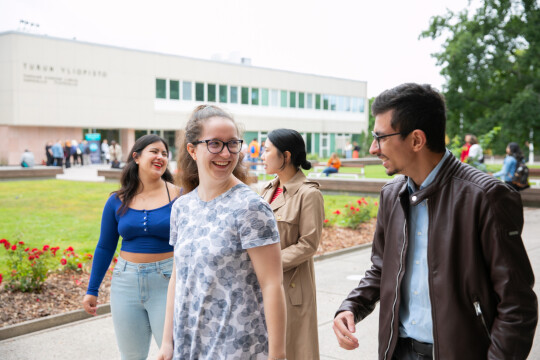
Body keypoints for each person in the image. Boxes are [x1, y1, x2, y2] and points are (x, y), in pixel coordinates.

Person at [332, 83, 537, 359]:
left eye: (380, 137)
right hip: (397, 351)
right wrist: (351, 306)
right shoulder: (391, 195)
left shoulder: (486, 197)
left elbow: (517, 305)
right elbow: (382, 267)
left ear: (417, 140)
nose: (373, 148)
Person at [158, 105, 286, 360]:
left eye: (232, 144)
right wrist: (166, 342)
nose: (226, 153)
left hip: (237, 346)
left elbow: (272, 284)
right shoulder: (182, 207)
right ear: (192, 150)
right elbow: (177, 278)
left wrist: (278, 355)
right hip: (190, 344)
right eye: (215, 144)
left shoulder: (251, 207)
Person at [82, 134, 181, 360]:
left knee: (174, 353)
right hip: (125, 283)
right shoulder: (117, 200)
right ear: (136, 157)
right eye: (154, 151)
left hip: (167, 281)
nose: (160, 157)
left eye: (165, 154)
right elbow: (105, 247)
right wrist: (92, 290)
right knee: (131, 356)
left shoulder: (179, 197)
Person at [261, 128, 324, 360]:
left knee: (294, 351)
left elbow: (308, 244)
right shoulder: (267, 189)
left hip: (291, 288)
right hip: (264, 286)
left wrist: (267, 265)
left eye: (267, 150)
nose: (262, 155)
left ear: (285, 156)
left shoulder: (308, 194)